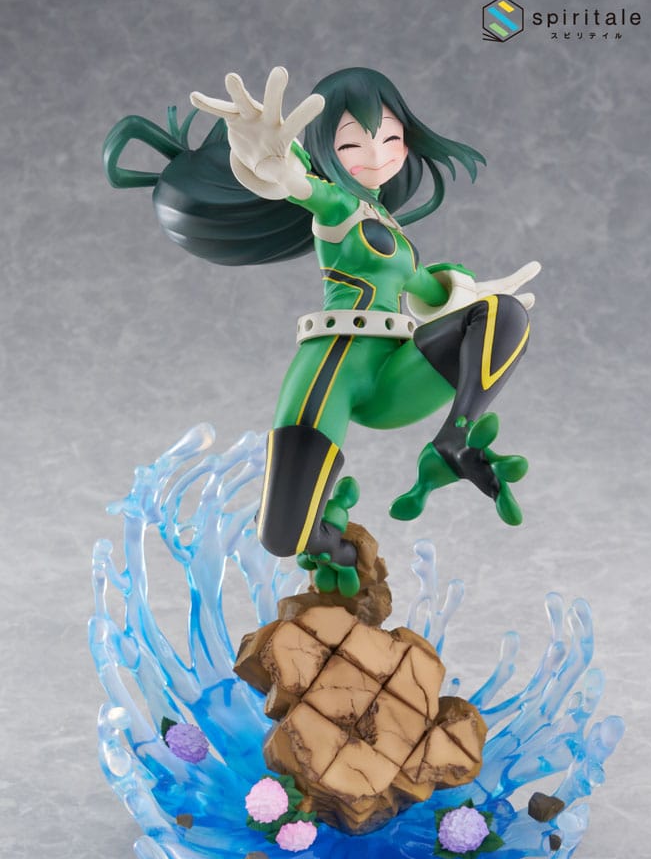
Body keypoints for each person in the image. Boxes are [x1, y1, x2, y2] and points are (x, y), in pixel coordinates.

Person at [104, 66, 539, 596]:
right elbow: (299, 187)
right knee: (282, 536)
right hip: (330, 372)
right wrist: (273, 166)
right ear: (327, 152)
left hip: (391, 374)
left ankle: (453, 440)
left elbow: (427, 289)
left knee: (506, 315)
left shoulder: (393, 231)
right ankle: (336, 549)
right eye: (353, 143)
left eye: (391, 139)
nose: (377, 154)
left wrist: (472, 301)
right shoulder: (336, 207)